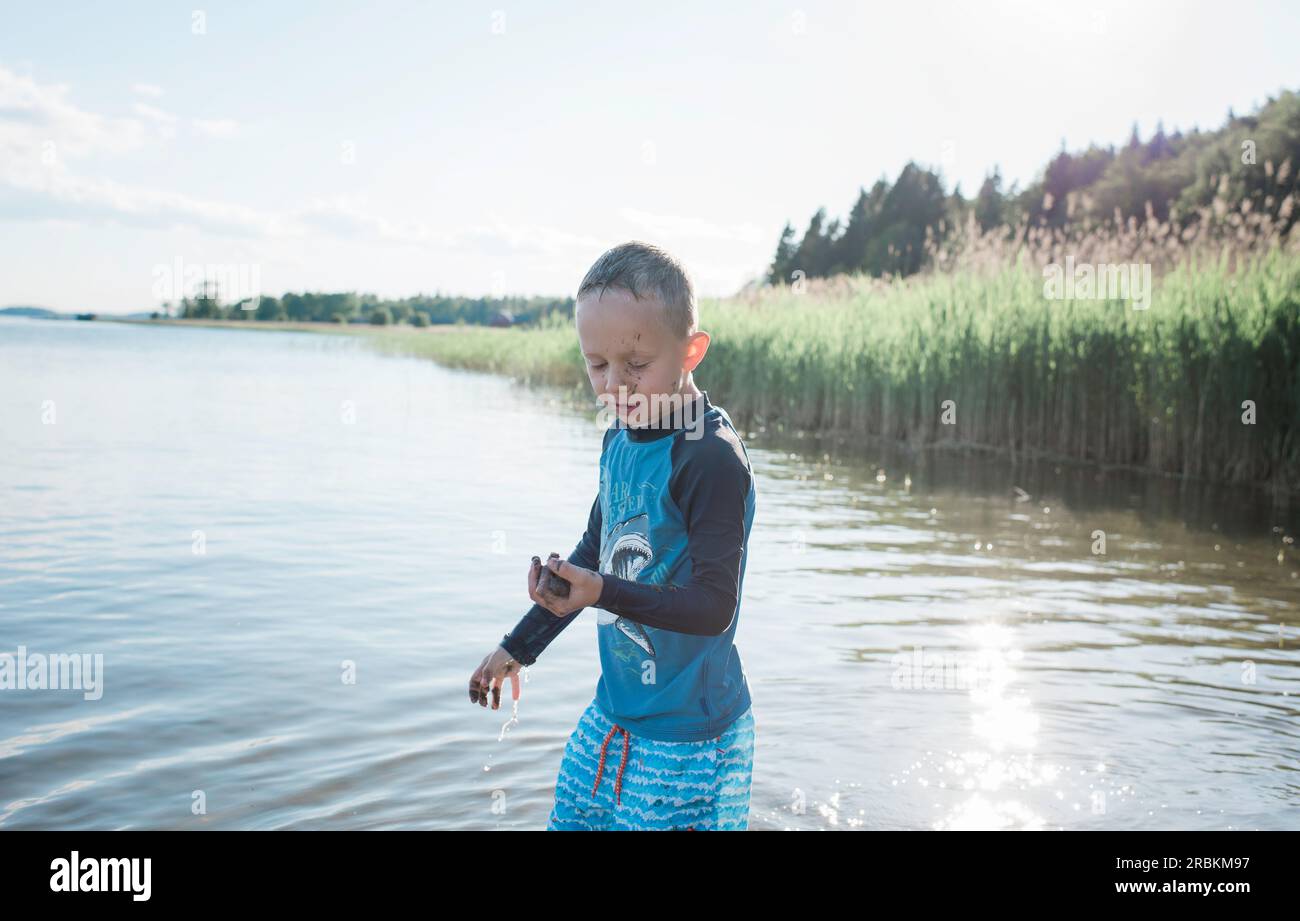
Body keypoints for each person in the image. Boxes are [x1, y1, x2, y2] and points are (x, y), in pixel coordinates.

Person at [469, 240, 757, 830]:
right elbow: (594, 555)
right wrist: (518, 647)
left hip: (689, 738)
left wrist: (600, 590)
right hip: (616, 713)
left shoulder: (709, 458)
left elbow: (713, 608)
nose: (614, 386)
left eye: (636, 365)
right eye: (596, 365)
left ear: (691, 351)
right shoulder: (619, 439)